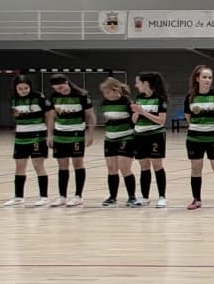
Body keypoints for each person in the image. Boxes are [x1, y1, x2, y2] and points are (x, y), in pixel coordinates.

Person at [182, 64, 214, 210]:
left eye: (210, 77)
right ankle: (196, 199)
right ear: (197, 79)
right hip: (194, 138)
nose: (207, 80)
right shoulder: (190, 98)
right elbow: (188, 117)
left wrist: (211, 126)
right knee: (196, 169)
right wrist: (199, 126)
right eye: (204, 77)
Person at [5, 74, 53, 206]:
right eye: (20, 89)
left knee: (38, 165)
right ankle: (18, 197)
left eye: (26, 88)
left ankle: (44, 197)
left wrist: (50, 134)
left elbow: (49, 115)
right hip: (21, 137)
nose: (23, 91)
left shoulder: (39, 97)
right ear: (15, 89)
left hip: (37, 136)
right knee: (19, 166)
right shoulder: (13, 99)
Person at [47, 74, 92, 207]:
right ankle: (62, 196)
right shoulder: (54, 97)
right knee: (62, 165)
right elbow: (51, 117)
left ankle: (78, 196)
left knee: (78, 163)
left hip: (77, 134)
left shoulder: (82, 95)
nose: (60, 91)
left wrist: (90, 134)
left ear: (67, 82)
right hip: (60, 135)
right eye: (57, 89)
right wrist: (50, 135)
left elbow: (90, 116)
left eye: (61, 87)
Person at [131, 71, 169, 208]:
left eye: (138, 82)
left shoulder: (160, 99)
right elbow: (134, 120)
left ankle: (162, 197)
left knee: (157, 166)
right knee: (144, 167)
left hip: (155, 135)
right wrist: (136, 112)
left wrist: (143, 112)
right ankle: (145, 197)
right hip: (139, 135)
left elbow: (161, 121)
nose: (136, 85)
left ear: (145, 83)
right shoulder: (138, 98)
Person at [97, 77, 136, 208]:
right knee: (111, 168)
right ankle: (112, 197)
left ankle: (132, 197)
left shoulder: (127, 102)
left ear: (116, 90)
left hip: (126, 138)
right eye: (104, 93)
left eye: (108, 92)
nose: (105, 95)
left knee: (124, 168)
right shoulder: (104, 103)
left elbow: (134, 120)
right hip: (109, 139)